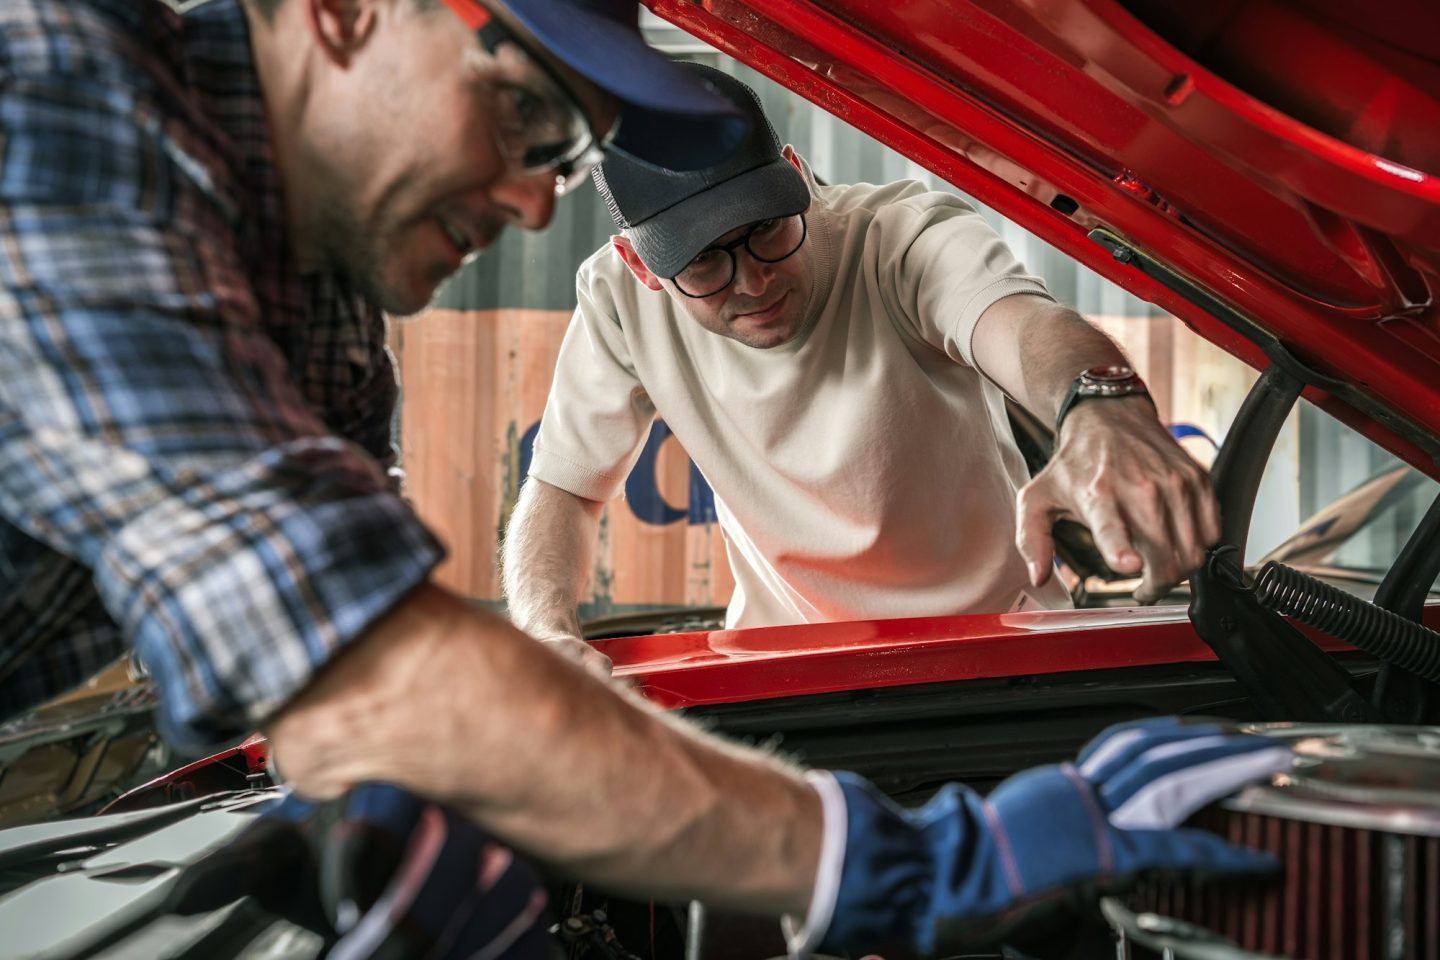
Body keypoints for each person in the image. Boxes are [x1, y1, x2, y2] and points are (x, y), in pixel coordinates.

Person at [0, 1, 1283, 956]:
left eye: (562, 153)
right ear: (347, 12)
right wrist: (927, 863)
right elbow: (375, 667)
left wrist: (1096, 399)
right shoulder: (59, 100)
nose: (534, 201)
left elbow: (349, 709)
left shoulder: (320, 322)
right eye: (524, 115)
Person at [503, 66, 1220, 675]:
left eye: (765, 230)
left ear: (795, 178)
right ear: (641, 265)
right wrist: (544, 634)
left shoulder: (901, 239)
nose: (752, 282)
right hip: (783, 666)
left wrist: (1099, 403)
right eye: (706, 263)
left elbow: (1026, 327)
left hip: (995, 649)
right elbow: (562, 489)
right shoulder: (618, 299)